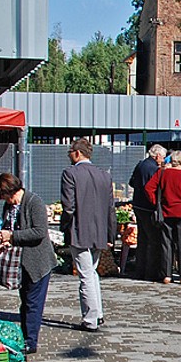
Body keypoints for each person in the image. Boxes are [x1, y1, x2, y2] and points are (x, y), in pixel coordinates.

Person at [0, 173, 56, 354]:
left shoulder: (33, 202)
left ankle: (30, 342)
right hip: (20, 261)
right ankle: (25, 337)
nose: (0, 198)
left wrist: (12, 236)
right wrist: (5, 239)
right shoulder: (9, 205)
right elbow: (9, 227)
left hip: (38, 262)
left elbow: (39, 232)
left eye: (1, 194)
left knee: (33, 303)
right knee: (25, 301)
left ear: (10, 190)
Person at [61, 138, 115, 331]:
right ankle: (97, 314)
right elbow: (110, 209)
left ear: (77, 153)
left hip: (79, 230)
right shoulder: (104, 176)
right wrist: (111, 234)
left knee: (85, 275)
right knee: (91, 273)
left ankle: (91, 319)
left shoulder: (70, 173)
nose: (68, 155)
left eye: (70, 152)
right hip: (99, 231)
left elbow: (68, 207)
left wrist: (64, 227)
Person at [146, 150, 181, 285]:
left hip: (166, 212)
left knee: (167, 243)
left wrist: (156, 203)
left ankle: (167, 275)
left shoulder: (162, 173)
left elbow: (149, 188)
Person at [128, 144, 166, 281]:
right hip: (148, 206)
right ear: (157, 156)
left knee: (142, 240)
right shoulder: (154, 169)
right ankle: (150, 272)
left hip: (138, 205)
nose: (163, 159)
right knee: (153, 240)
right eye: (163, 157)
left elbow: (131, 182)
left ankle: (139, 270)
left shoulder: (140, 165)